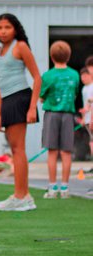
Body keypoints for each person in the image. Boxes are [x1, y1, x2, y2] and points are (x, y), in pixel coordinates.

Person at [0, 14, 41, 212]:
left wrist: (31, 107)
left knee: (19, 150)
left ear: (15, 29)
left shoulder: (20, 46)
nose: (3, 31)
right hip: (7, 100)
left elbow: (37, 77)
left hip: (20, 98)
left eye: (7, 27)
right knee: (14, 150)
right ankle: (23, 195)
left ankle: (21, 197)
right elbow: (1, 84)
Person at [39, 41, 80, 199]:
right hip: (68, 115)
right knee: (66, 152)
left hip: (52, 114)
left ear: (51, 56)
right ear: (68, 56)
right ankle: (65, 187)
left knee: (52, 152)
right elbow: (75, 93)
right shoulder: (75, 75)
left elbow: (42, 97)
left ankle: (52, 187)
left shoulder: (48, 75)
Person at [79, 67, 93, 164]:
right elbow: (85, 106)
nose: (82, 78)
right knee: (91, 142)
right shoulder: (84, 89)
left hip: (92, 119)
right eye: (81, 76)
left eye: (85, 75)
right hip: (88, 120)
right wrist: (83, 118)